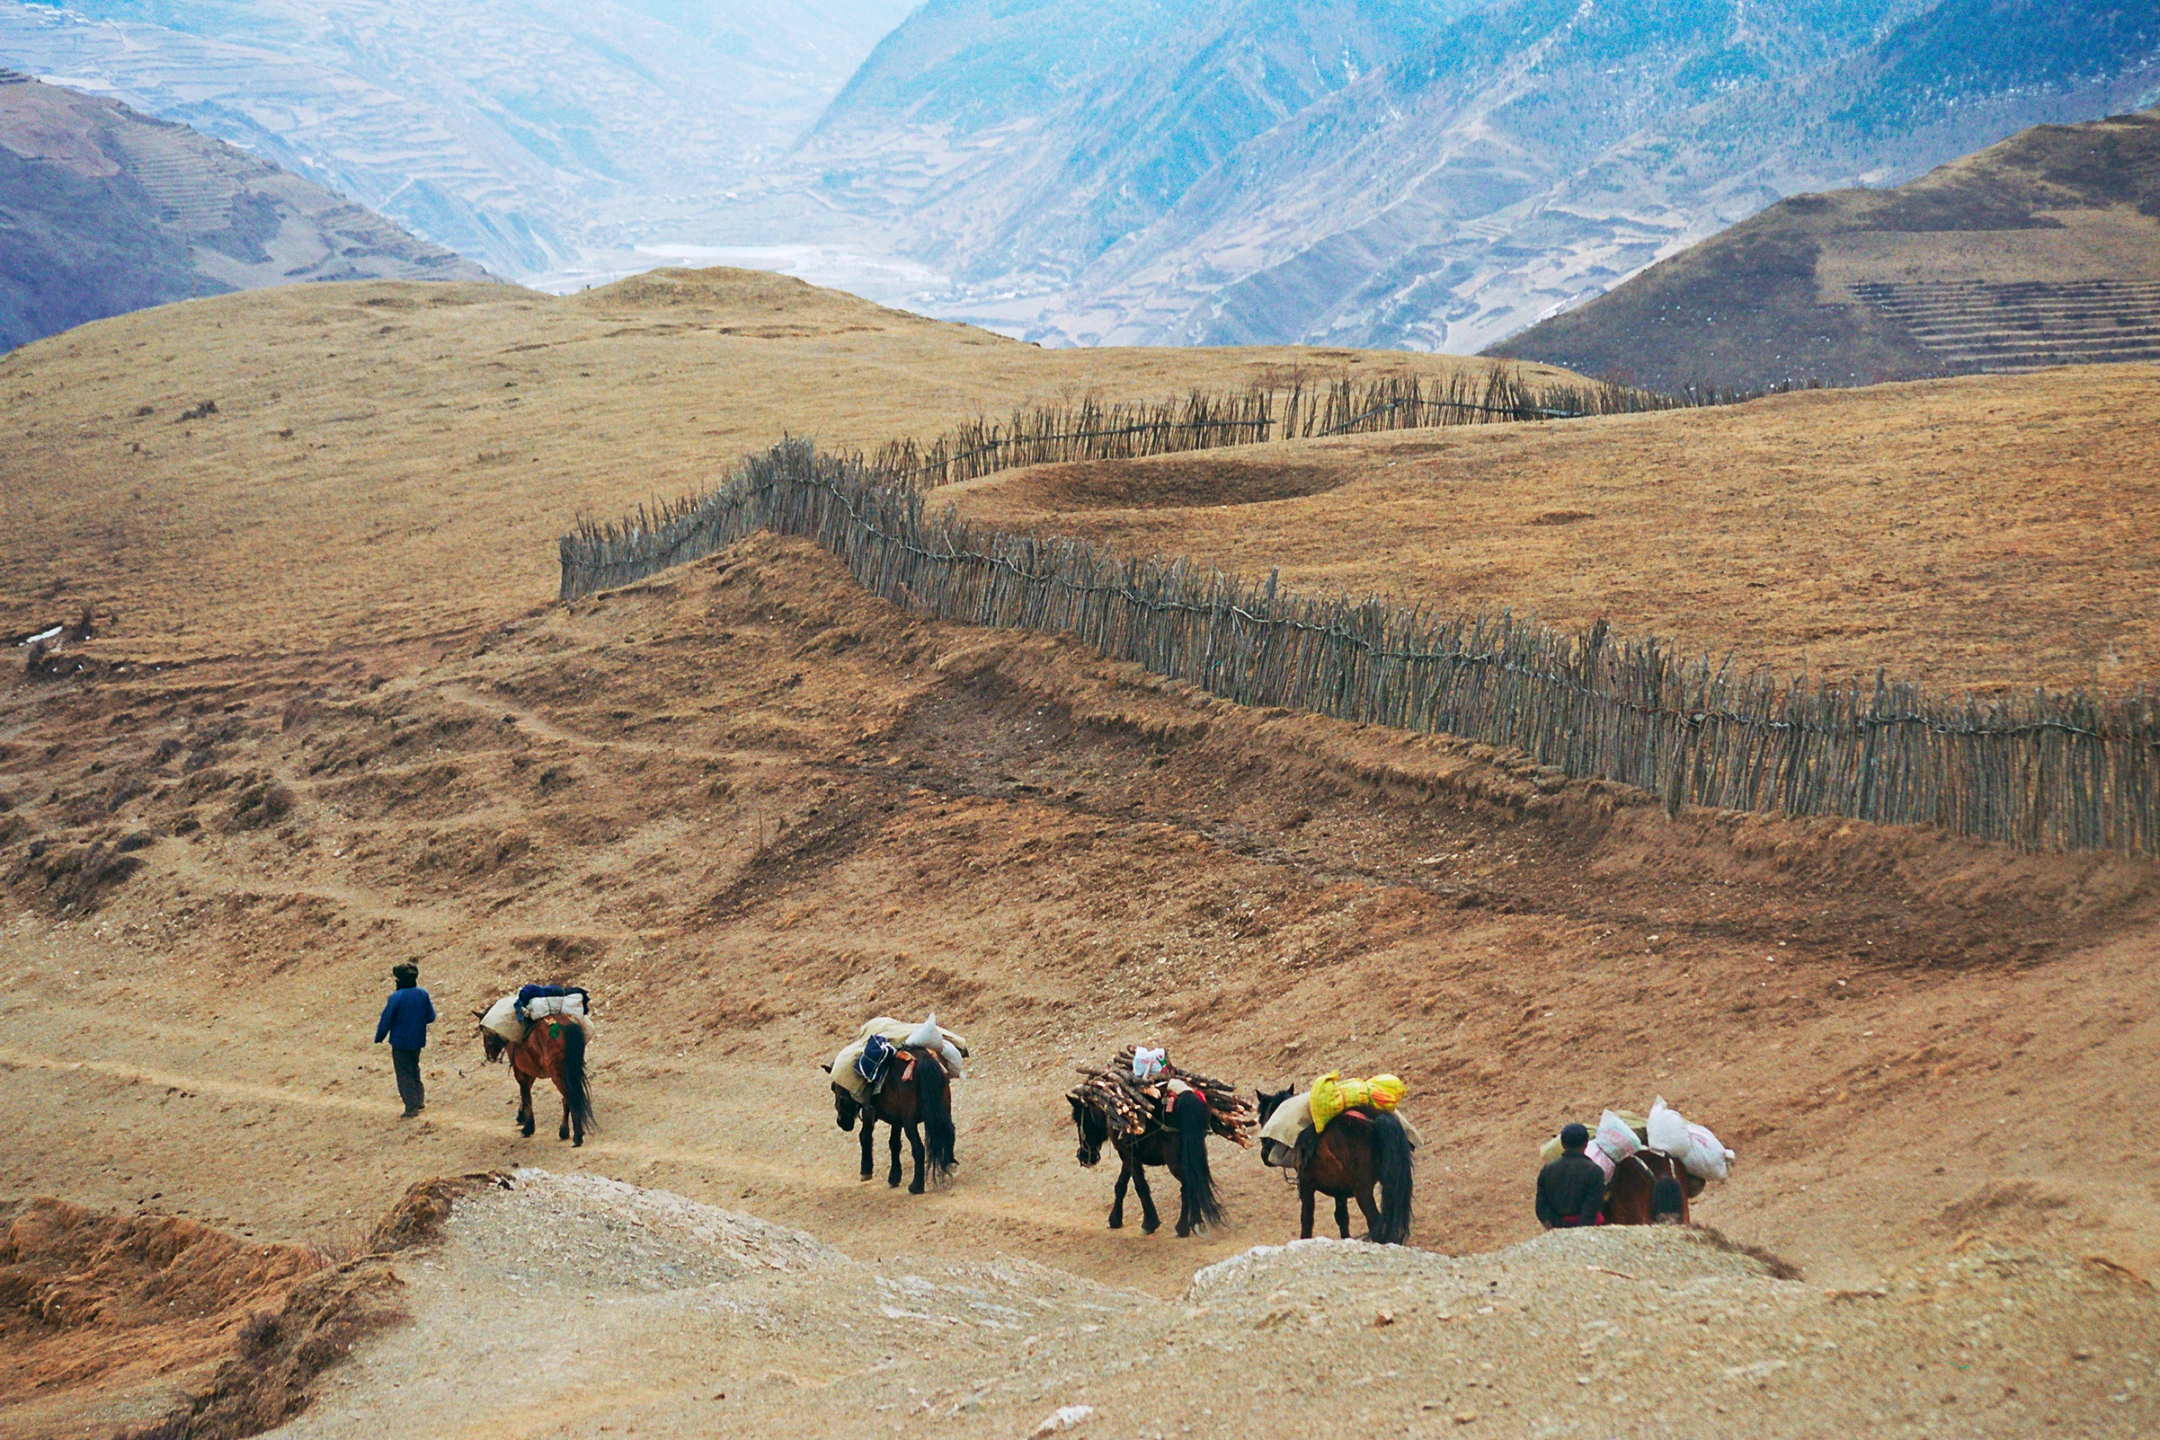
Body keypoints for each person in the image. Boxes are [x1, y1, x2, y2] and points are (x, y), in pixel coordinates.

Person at [373, 961, 436, 1117]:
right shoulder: (422, 993)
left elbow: (386, 1019)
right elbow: (431, 1016)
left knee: (404, 1073)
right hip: (418, 1039)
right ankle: (419, 1100)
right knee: (414, 1069)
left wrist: (379, 1036)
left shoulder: (396, 997)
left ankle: (411, 1107)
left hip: (400, 1041)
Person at [1535, 1122, 1608, 1228]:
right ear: (1586, 1143)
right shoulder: (1595, 1171)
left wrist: (1557, 1226)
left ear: (1562, 1144)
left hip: (1556, 1228)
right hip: (1585, 1230)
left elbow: (1541, 1208)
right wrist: (1578, 1231)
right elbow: (1591, 1209)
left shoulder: (1547, 1170)